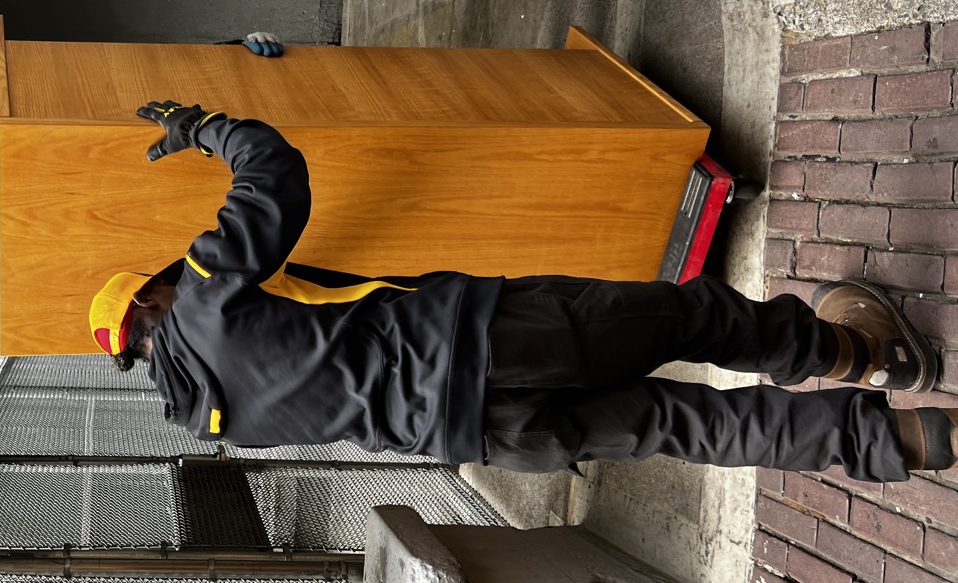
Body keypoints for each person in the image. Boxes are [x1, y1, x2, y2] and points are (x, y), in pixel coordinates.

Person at [87, 98, 957, 483]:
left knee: (691, 427)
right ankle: (862, 352)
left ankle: (900, 445)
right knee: (689, 314)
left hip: (486, 435)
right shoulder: (202, 295)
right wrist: (207, 127)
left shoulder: (222, 425)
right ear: (152, 302)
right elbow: (275, 176)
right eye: (164, 274)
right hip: (497, 340)